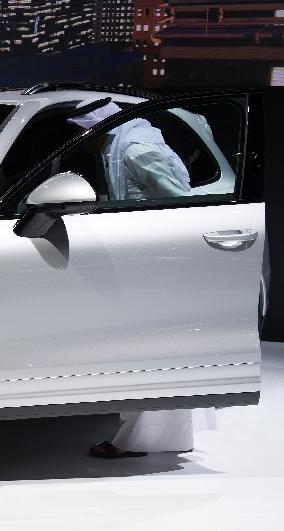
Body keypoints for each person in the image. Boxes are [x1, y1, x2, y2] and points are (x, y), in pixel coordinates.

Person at [65, 100, 213, 459]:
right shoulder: (123, 145)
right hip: (146, 260)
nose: (81, 139)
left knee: (151, 351)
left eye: (82, 131)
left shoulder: (134, 148)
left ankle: (141, 440)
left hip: (156, 262)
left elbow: (179, 202)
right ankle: (165, 437)